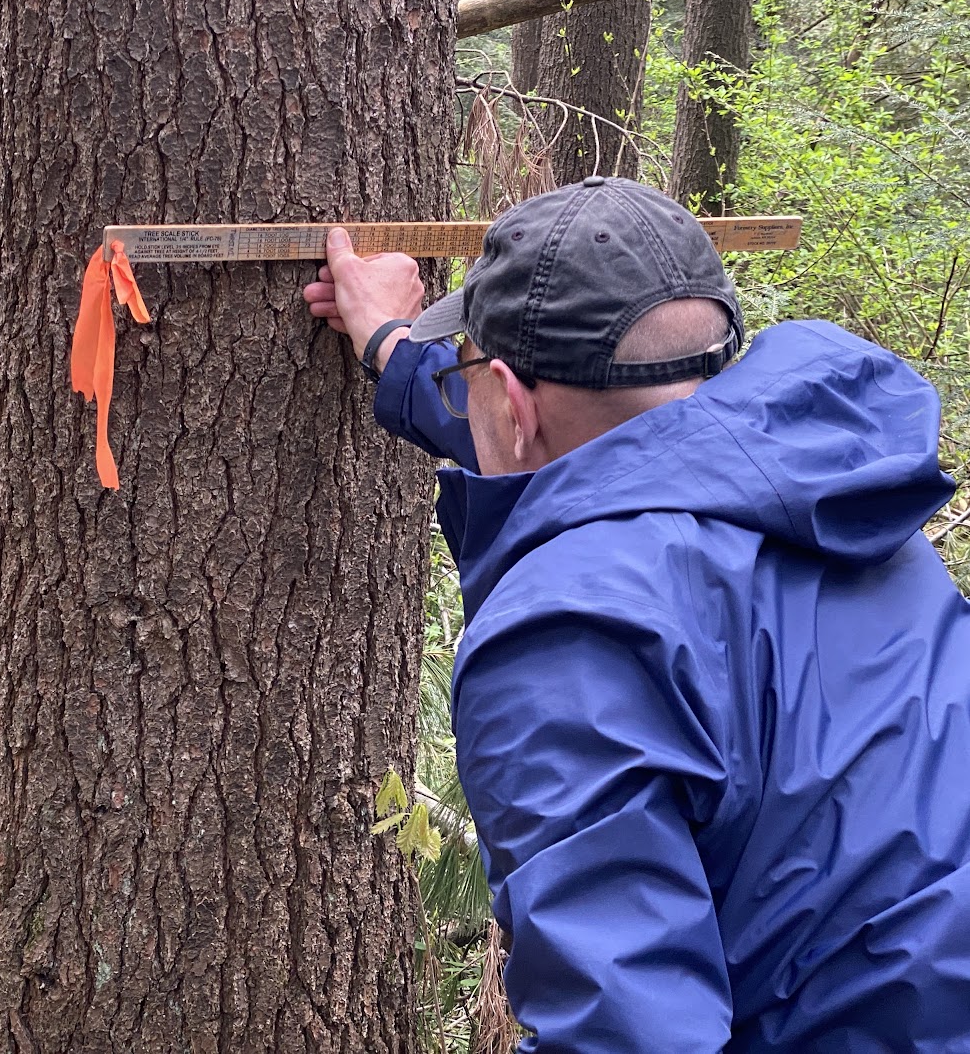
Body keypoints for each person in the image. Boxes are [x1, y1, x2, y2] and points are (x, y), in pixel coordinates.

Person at [305, 176, 970, 1051]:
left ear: (510, 394)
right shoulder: (828, 486)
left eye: (469, 373)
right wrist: (393, 346)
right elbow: (587, 455)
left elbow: (624, 1034)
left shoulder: (569, 638)